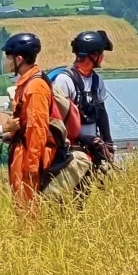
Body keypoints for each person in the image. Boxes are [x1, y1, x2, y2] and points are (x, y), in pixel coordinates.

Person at [0, 32, 88, 212]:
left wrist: (32, 166)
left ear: (19, 59)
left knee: (30, 208)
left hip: (33, 157)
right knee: (23, 206)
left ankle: (32, 238)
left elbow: (37, 128)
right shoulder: (30, 82)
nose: (6, 61)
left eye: (8, 57)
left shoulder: (35, 87)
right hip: (26, 152)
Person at [51, 30, 115, 173]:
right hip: (70, 149)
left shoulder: (97, 80)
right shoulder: (64, 80)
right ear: (92, 56)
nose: (102, 57)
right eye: (100, 53)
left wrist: (108, 142)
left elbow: (101, 112)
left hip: (93, 147)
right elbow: (57, 120)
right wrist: (84, 138)